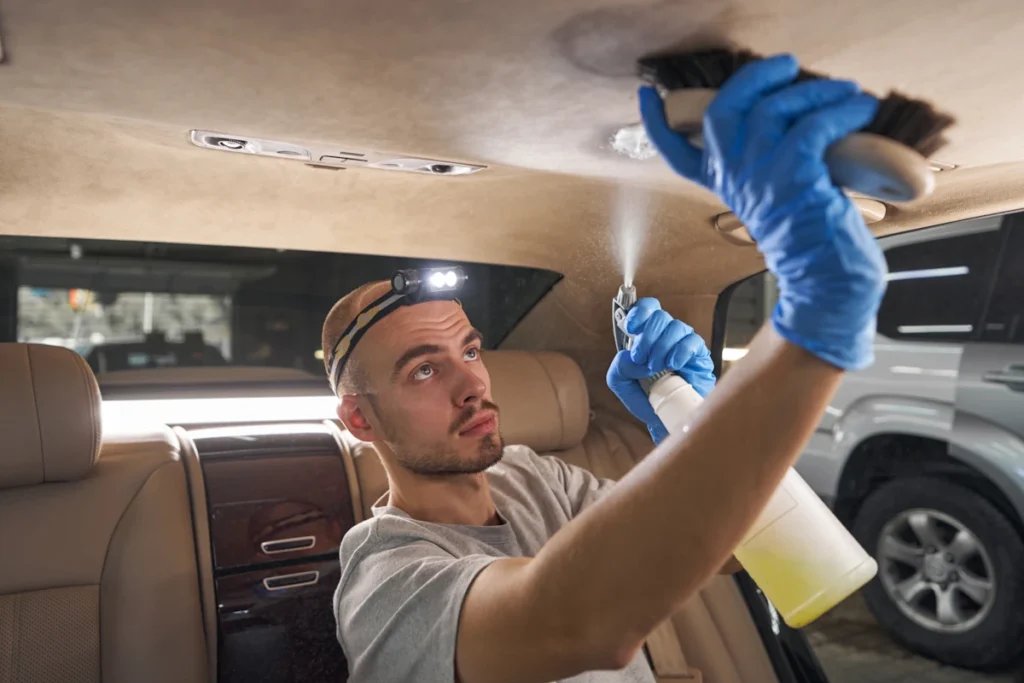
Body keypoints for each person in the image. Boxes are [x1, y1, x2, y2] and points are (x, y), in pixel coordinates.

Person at [326, 53, 887, 683]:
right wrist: (815, 315)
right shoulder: (384, 573)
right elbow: (577, 625)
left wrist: (691, 426)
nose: (472, 385)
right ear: (359, 418)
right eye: (424, 371)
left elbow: (718, 547)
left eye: (472, 352)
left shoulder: (531, 477)